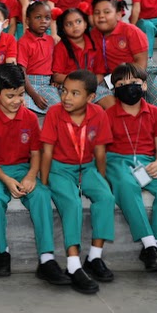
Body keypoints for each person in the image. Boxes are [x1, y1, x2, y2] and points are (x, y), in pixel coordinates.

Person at [0, 64, 68, 285]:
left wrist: (31, 176)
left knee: (40, 194)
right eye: (10, 96)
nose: (16, 101)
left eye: (21, 95)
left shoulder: (29, 118)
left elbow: (35, 153)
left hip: (22, 168)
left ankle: (47, 258)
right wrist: (6, 180)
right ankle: (2, 252)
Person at [40, 70, 115, 294]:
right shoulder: (54, 113)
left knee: (106, 197)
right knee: (72, 203)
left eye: (75, 93)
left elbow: (100, 151)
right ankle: (73, 265)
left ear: (90, 98)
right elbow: (46, 152)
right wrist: (44, 183)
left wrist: (101, 179)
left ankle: (94, 257)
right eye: (64, 91)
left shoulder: (99, 114)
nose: (66, 98)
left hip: (88, 167)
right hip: (60, 170)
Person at [104, 62, 157, 273]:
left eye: (134, 82)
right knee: (127, 185)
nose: (129, 86)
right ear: (114, 89)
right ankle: (149, 244)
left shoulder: (155, 113)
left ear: (145, 86)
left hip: (148, 161)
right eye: (122, 83)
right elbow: (100, 148)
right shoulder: (109, 114)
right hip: (117, 159)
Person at [17, 2, 59, 113]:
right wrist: (34, 95)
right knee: (23, 106)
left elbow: (52, 63)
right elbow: (22, 71)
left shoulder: (50, 40)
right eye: (38, 17)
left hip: (46, 85)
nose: (43, 21)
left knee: (59, 106)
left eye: (47, 18)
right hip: (28, 85)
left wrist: (53, 79)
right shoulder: (23, 42)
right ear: (27, 21)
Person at [52, 7, 98, 85]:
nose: (75, 26)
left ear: (85, 24)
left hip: (91, 85)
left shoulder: (94, 44)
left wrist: (91, 84)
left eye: (78, 21)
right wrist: (78, 82)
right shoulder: (60, 47)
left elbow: (100, 73)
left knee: (108, 96)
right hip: (69, 85)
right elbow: (56, 76)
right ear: (63, 29)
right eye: (69, 24)